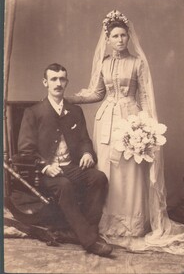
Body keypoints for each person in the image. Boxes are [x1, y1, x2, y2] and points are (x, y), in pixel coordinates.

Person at [66, 10, 184, 256]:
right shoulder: (104, 63)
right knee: (107, 172)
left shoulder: (138, 63)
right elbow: (96, 93)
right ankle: (108, 224)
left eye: (123, 35)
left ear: (129, 37)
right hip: (105, 122)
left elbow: (146, 97)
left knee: (129, 174)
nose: (119, 40)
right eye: (115, 36)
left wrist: (146, 128)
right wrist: (69, 99)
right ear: (108, 38)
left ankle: (132, 226)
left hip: (131, 122)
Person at [17, 63, 113, 257]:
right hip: (45, 172)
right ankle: (90, 240)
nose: (58, 83)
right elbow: (25, 150)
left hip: (71, 166)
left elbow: (85, 140)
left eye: (62, 79)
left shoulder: (75, 111)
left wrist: (87, 153)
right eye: (53, 79)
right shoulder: (34, 112)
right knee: (64, 185)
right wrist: (45, 166)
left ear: (67, 82)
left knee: (99, 177)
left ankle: (81, 230)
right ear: (45, 82)